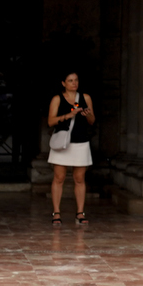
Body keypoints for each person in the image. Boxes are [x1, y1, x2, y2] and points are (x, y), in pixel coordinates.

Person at [47, 71, 96, 227]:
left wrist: (87, 114)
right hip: (62, 143)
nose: (74, 83)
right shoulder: (57, 99)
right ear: (63, 83)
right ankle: (56, 212)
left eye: (76, 80)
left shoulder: (85, 98)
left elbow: (92, 120)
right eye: (70, 80)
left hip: (80, 141)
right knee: (59, 178)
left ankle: (80, 212)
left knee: (80, 179)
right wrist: (69, 115)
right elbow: (50, 121)